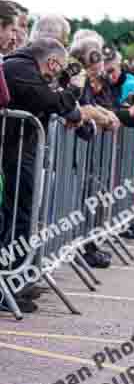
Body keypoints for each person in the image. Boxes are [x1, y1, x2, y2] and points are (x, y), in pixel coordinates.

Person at [1, 38, 89, 312]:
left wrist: (69, 101)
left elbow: (57, 102)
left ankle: (14, 282)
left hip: (20, 153)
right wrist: (74, 88)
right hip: (13, 154)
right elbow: (51, 101)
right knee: (16, 217)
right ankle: (8, 286)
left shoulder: (24, 66)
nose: (54, 77)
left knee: (22, 217)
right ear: (51, 62)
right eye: (55, 70)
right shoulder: (20, 68)